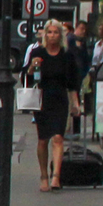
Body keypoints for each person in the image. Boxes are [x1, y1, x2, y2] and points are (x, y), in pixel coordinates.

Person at [24, 20, 86, 192]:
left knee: (58, 137)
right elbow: (28, 78)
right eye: (49, 32)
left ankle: (56, 176)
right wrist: (32, 67)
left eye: (55, 32)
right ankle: (43, 175)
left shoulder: (67, 55)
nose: (52, 36)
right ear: (45, 35)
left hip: (60, 99)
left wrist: (76, 104)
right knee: (43, 140)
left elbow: (72, 83)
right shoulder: (38, 52)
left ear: (61, 35)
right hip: (42, 99)